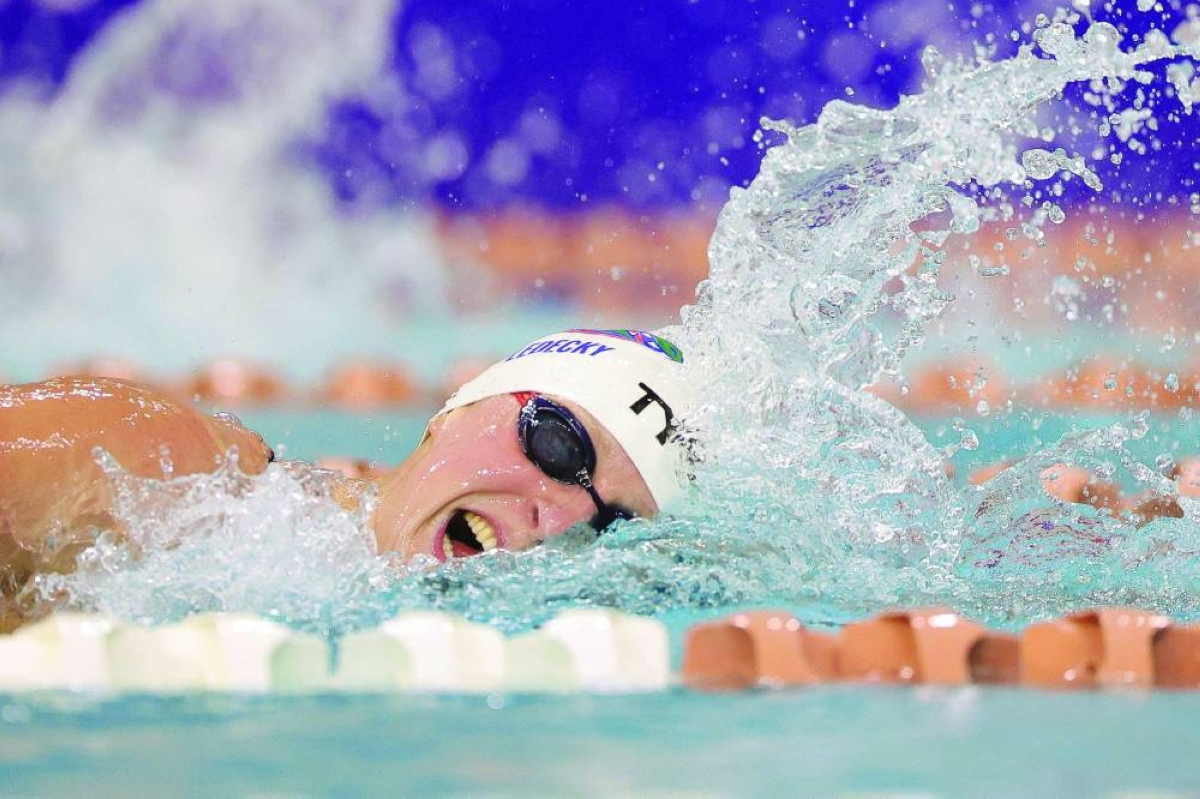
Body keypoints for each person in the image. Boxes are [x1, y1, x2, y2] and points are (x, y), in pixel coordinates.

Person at [0, 328, 695, 627]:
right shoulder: (161, 470)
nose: (564, 519)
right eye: (557, 442)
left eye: (612, 527)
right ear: (453, 411)